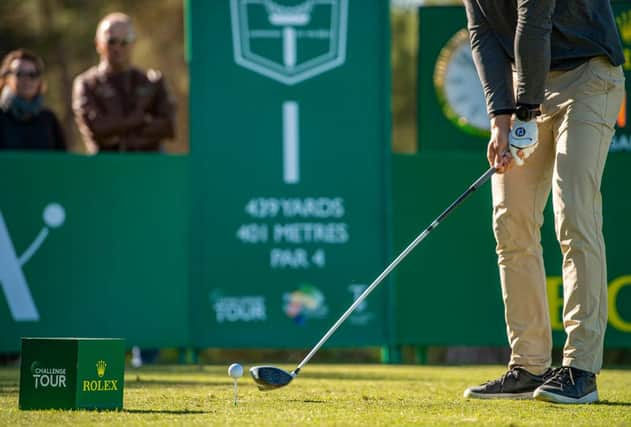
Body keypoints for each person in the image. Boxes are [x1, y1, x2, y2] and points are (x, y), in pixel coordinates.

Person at [461, 1, 625, 404]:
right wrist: (500, 116)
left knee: (574, 215)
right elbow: (482, 33)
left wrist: (525, 111)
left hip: (588, 76)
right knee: (510, 219)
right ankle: (529, 365)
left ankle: (581, 368)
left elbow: (533, 22)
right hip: (526, 89)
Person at [72, 12, 175, 152]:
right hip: (105, 168)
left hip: (149, 168)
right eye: (111, 41)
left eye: (125, 41)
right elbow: (96, 129)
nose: (118, 47)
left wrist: (116, 131)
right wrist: (137, 120)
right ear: (98, 43)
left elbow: (168, 126)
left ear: (133, 43)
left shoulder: (152, 81)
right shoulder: (87, 84)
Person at [0, 49, 66, 150]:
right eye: (19, 74)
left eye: (32, 74)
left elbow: (62, 160)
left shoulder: (48, 119)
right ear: (7, 78)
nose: (26, 80)